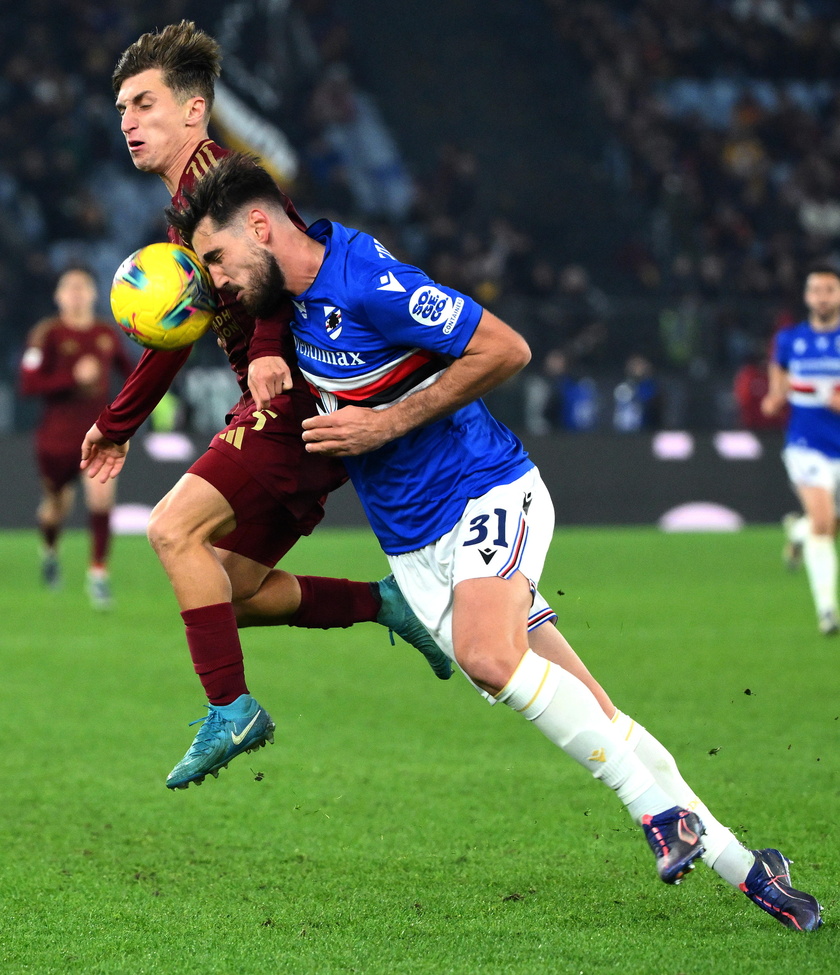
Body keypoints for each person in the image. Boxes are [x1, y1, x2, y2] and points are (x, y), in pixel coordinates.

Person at [168, 151, 823, 932]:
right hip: (414, 552)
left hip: (487, 490)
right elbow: (272, 307)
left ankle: (658, 814)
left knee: (487, 654)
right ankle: (747, 865)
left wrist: (386, 421)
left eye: (216, 258)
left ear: (262, 226)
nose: (217, 280)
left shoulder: (370, 282)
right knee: (598, 716)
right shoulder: (295, 299)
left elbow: (506, 348)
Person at [79, 21, 451, 792]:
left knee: (170, 530)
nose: (128, 122)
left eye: (144, 103)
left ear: (194, 109)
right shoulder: (187, 204)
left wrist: (274, 342)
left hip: (289, 395)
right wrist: (116, 423)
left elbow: (283, 252)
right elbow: (175, 335)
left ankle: (231, 707)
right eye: (121, 108)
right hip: (294, 401)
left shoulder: (226, 176)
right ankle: (389, 602)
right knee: (230, 588)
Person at [19, 265, 134, 609]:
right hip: (55, 438)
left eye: (83, 287)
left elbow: (131, 374)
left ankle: (98, 575)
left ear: (94, 294)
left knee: (102, 501)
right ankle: (51, 551)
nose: (77, 294)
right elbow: (28, 385)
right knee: (56, 507)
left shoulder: (105, 333)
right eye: (69, 288)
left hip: (96, 435)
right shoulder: (46, 335)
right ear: (58, 296)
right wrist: (72, 377)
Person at [762, 263, 840, 635]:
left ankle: (797, 532)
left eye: (829, 290)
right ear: (807, 297)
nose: (822, 297)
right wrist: (774, 399)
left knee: (827, 524)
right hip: (806, 445)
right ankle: (828, 611)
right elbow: (777, 385)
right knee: (826, 524)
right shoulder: (790, 339)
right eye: (816, 290)